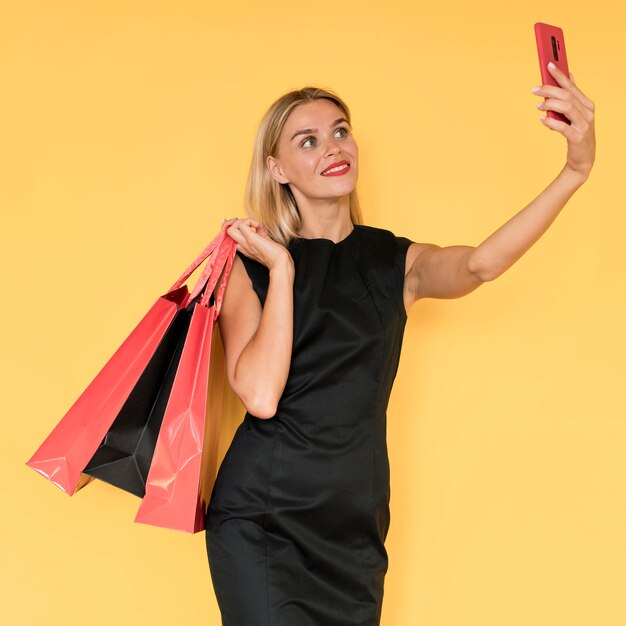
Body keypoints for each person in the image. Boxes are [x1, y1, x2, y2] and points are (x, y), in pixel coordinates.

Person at [204, 71, 595, 625]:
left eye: (340, 131)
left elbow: (481, 263)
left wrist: (575, 170)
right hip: (263, 518)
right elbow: (261, 396)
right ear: (276, 169)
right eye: (307, 140)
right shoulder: (253, 264)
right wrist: (285, 271)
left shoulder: (396, 263)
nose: (333, 148)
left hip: (352, 526)